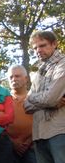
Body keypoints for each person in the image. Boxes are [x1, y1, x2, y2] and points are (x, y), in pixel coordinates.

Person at [24, 30, 65, 163]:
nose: (38, 50)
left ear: (54, 44)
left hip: (59, 131)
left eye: (42, 45)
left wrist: (32, 97)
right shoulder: (39, 72)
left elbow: (50, 98)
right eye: (35, 48)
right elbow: (26, 106)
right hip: (38, 134)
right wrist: (33, 98)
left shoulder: (62, 64)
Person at [6, 65, 36, 163]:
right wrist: (12, 142)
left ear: (26, 78)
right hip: (8, 148)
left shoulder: (35, 98)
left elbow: (41, 121)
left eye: (17, 76)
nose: (13, 79)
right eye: (11, 77)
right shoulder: (3, 99)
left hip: (32, 147)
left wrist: (28, 142)